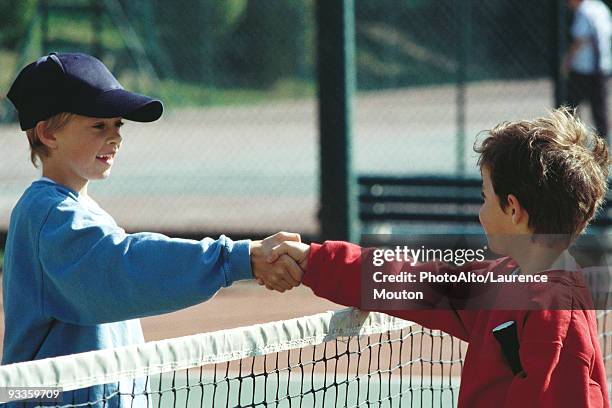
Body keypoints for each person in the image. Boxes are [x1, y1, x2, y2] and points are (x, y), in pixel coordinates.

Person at [2, 52, 302, 406]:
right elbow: (125, 266)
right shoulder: (50, 215)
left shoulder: (78, 212)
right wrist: (237, 258)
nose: (115, 138)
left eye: (118, 126)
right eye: (99, 126)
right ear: (48, 134)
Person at [269, 108, 610, 407]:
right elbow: (413, 282)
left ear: (513, 210)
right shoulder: (503, 281)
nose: (481, 211)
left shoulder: (555, 313)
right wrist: (314, 261)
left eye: (485, 197)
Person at [562, 0, 612, 141]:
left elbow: (579, 40)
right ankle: (603, 143)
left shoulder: (584, 12)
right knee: (600, 109)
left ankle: (571, 138)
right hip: (602, 67)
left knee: (570, 107)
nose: (567, 4)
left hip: (583, 69)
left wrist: (567, 61)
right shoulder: (600, 7)